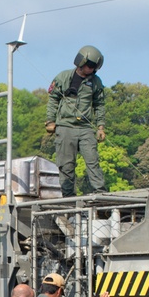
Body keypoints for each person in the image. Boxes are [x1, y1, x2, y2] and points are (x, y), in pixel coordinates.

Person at [45, 45, 107, 197]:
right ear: (81, 61)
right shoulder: (64, 77)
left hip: (85, 127)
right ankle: (68, 196)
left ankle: (100, 192)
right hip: (65, 126)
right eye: (90, 65)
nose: (91, 69)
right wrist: (50, 121)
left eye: (94, 67)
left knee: (92, 160)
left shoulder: (96, 83)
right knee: (66, 165)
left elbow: (99, 105)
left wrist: (100, 127)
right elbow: (53, 99)